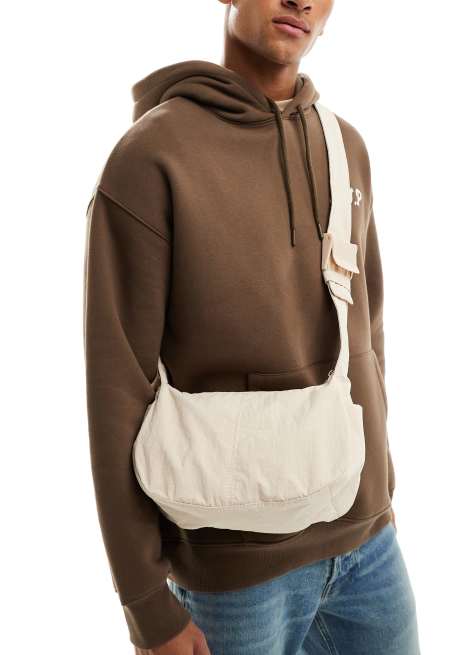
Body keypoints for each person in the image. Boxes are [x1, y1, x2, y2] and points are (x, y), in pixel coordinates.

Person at [83, 1, 420, 653]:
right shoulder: (151, 156)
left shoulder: (345, 146)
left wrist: (380, 494)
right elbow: (116, 383)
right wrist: (145, 600)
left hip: (368, 548)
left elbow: (367, 331)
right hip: (232, 575)